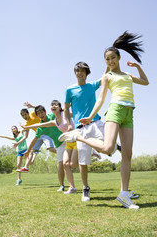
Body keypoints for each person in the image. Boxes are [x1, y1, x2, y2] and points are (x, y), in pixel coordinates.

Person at [59, 31, 149, 208]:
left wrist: (137, 67)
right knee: (108, 147)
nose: (110, 61)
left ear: (119, 57)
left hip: (129, 113)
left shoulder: (127, 76)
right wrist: (91, 117)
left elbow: (145, 82)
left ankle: (124, 194)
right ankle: (78, 137)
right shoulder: (107, 77)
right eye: (107, 59)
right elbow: (100, 98)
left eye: (113, 58)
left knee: (127, 154)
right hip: (115, 110)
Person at [59, 61, 110, 202]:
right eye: (77, 71)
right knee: (82, 162)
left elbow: (104, 76)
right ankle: (85, 188)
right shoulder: (70, 90)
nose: (79, 73)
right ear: (75, 73)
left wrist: (107, 63)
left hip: (96, 122)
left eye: (82, 71)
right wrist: (69, 124)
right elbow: (66, 109)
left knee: (108, 148)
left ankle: (94, 147)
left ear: (86, 73)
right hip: (81, 128)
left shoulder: (92, 86)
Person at [22, 105, 66, 191]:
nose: (41, 114)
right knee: (61, 165)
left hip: (67, 139)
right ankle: (62, 186)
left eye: (42, 112)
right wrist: (27, 151)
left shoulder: (52, 116)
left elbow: (62, 112)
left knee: (70, 163)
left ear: (45, 112)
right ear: (37, 116)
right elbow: (34, 140)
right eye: (38, 113)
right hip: (59, 145)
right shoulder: (40, 128)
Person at [19, 102, 56, 172]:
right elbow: (26, 136)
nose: (24, 117)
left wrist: (32, 106)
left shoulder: (33, 114)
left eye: (25, 114)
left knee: (50, 149)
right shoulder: (26, 123)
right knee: (30, 151)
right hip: (38, 135)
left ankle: (61, 152)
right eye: (22, 116)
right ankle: (26, 167)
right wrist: (18, 142)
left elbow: (40, 110)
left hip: (46, 133)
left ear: (28, 113)